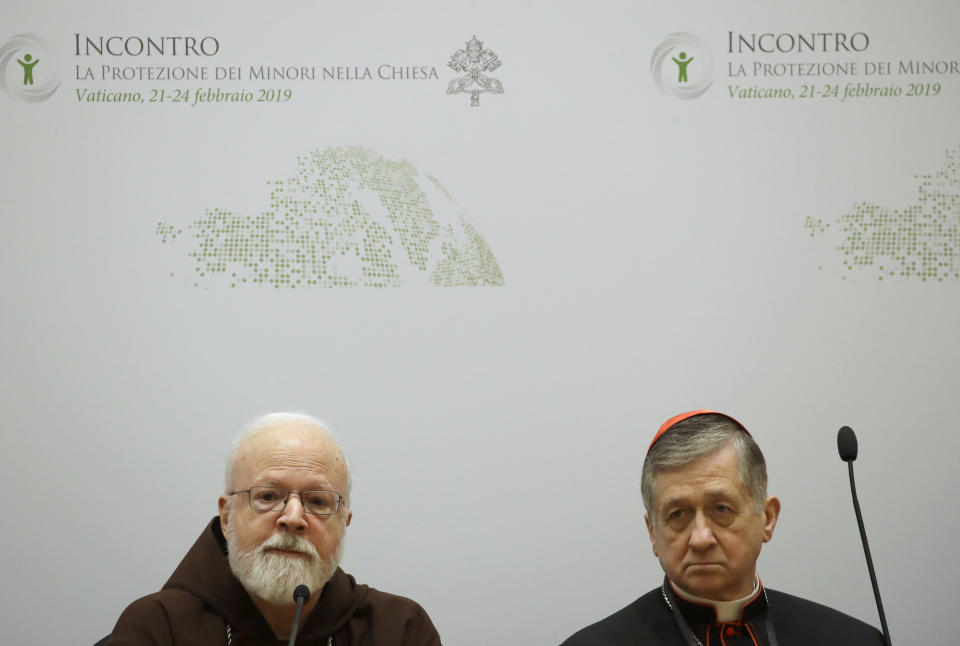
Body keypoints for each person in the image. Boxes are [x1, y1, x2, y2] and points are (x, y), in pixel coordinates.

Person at [109, 412, 442, 645]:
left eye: (318, 502)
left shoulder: (399, 630)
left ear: (344, 524)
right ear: (226, 517)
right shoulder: (157, 627)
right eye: (268, 496)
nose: (293, 517)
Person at [560, 410, 884, 646]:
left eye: (720, 509)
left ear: (767, 518)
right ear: (652, 533)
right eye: (677, 514)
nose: (700, 538)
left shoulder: (853, 640)